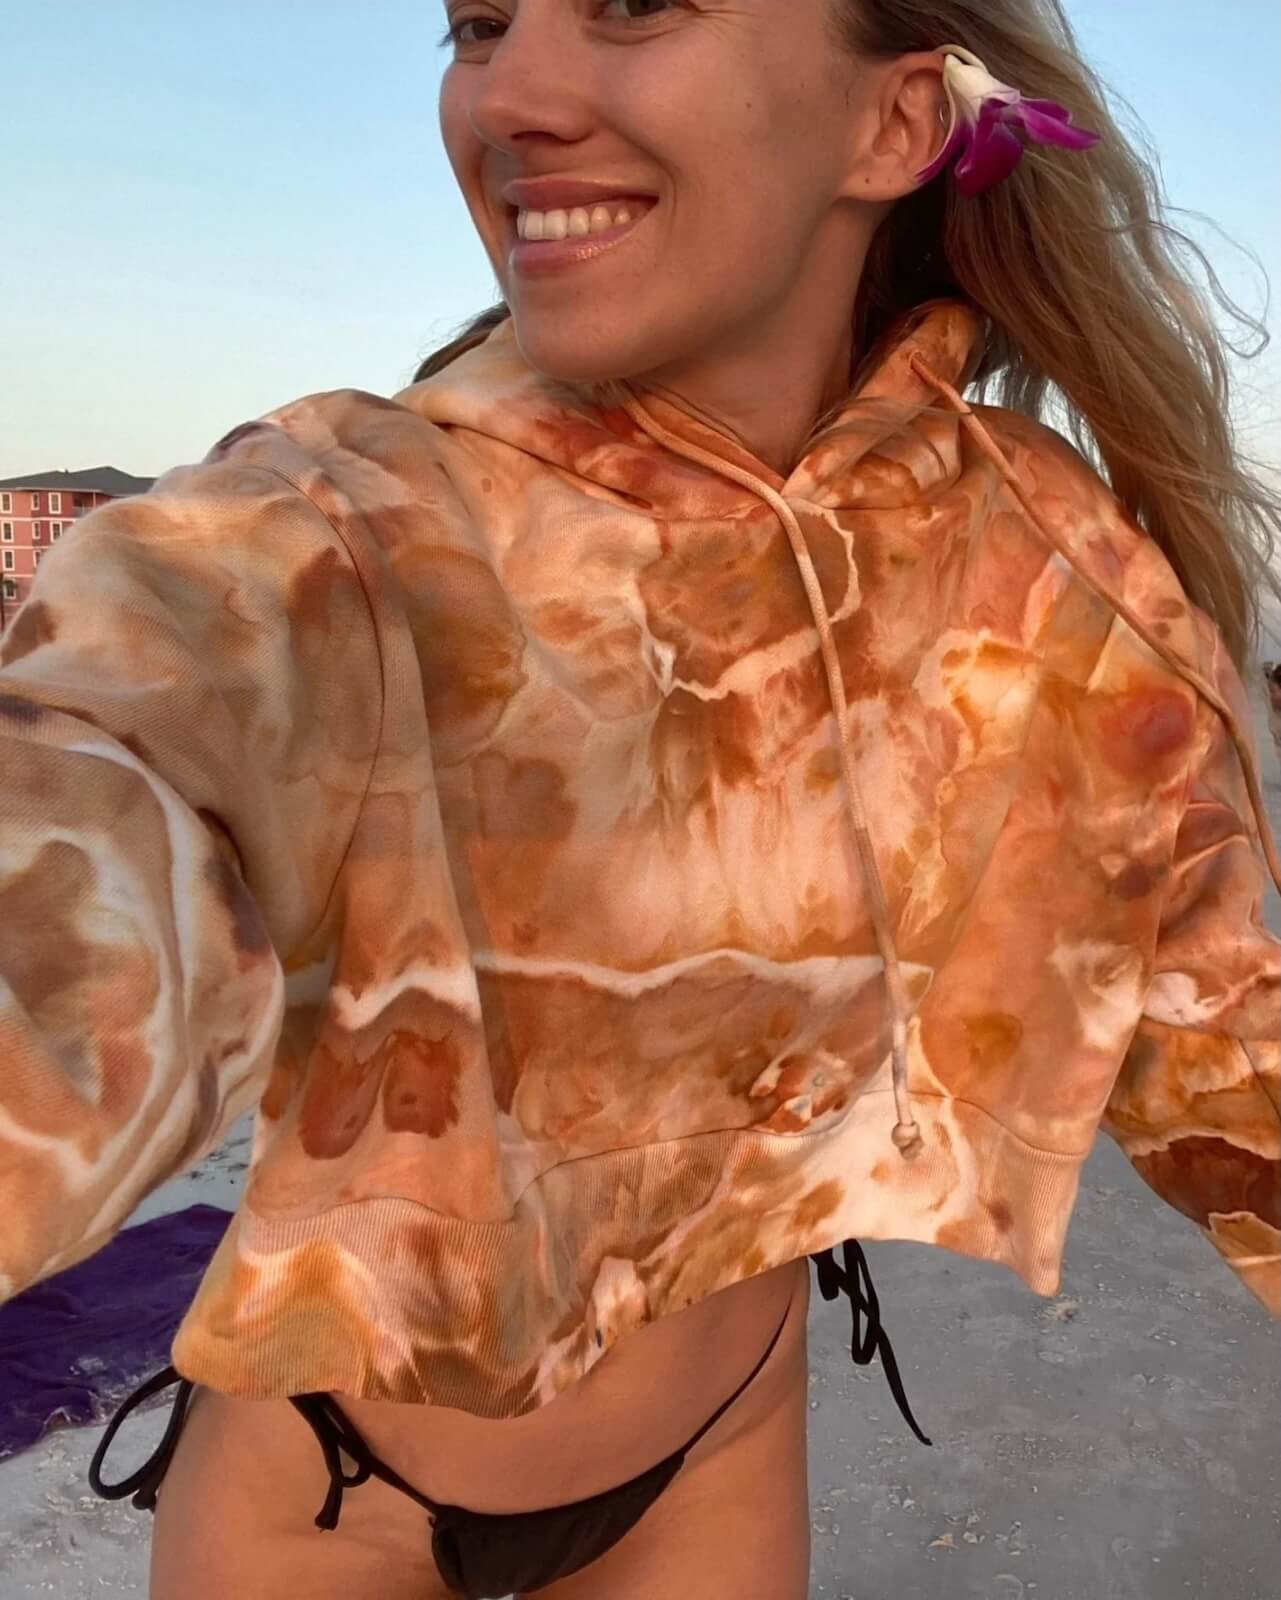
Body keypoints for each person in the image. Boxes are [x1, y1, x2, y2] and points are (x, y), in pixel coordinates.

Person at [1, 2, 1278, 1597]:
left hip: (713, 1462)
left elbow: (1236, 1054)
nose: (509, 94)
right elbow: (93, 814)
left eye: (631, 5)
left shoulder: (1035, 570)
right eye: (477, 25)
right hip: (325, 1482)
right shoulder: (335, 535)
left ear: (891, 126)